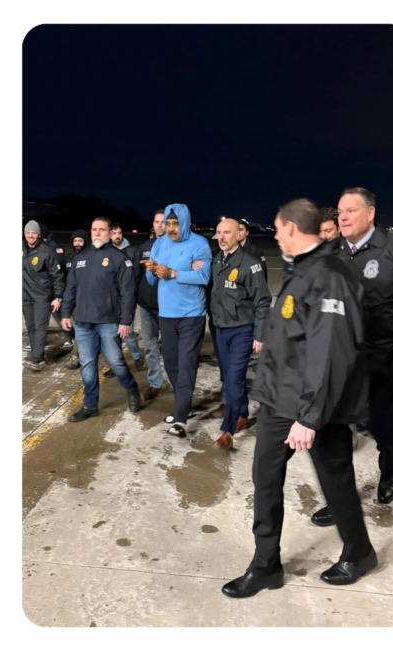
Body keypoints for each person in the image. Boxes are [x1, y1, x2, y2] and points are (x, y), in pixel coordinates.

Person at [221, 198, 376, 599]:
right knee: (266, 477)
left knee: (335, 479)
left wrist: (309, 417)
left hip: (314, 406)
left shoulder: (329, 276)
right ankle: (266, 565)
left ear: (291, 228)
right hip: (282, 399)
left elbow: (331, 352)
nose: (274, 236)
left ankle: (359, 552)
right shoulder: (303, 269)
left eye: (277, 229)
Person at [310, 186, 393, 529]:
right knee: (337, 432)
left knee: (385, 426)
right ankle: (341, 499)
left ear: (370, 213)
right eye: (340, 211)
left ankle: (389, 473)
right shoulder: (331, 253)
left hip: (386, 359)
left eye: (351, 210)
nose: (343, 217)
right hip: (342, 362)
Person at [60, 217, 142, 421]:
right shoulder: (80, 258)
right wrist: (65, 313)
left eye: (102, 229)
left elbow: (128, 293)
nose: (97, 233)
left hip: (109, 322)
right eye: (94, 229)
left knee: (116, 362)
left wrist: (125, 321)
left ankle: (131, 387)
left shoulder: (119, 258)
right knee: (87, 365)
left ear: (109, 233)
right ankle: (90, 405)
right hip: (83, 322)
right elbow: (70, 288)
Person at [143, 203, 212, 438]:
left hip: (191, 314)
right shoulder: (159, 244)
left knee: (186, 363)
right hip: (167, 314)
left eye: (176, 223)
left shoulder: (199, 244)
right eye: (168, 223)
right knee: (171, 363)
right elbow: (152, 281)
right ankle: (184, 404)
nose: (171, 228)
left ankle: (181, 418)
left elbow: (203, 276)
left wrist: (172, 273)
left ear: (185, 223)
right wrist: (152, 270)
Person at [209, 216, 271, 450]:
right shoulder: (218, 260)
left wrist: (260, 334)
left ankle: (228, 429)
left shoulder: (250, 264)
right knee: (230, 377)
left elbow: (263, 301)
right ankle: (242, 414)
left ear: (238, 235)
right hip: (221, 329)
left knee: (234, 378)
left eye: (227, 232)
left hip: (242, 330)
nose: (222, 237)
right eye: (219, 233)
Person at [22, 221, 65, 371]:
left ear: (39, 235)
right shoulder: (21, 249)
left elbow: (58, 276)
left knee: (40, 327)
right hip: (25, 296)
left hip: (41, 296)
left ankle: (37, 359)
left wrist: (57, 297)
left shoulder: (46, 251)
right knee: (31, 326)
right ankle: (36, 355)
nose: (30, 236)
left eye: (33, 233)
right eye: (28, 233)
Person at [105, 221, 144, 375]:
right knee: (112, 334)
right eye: (114, 233)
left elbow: (136, 276)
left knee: (127, 333)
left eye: (119, 233)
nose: (117, 236)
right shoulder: (104, 252)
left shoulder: (132, 251)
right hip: (110, 299)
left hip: (127, 298)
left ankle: (137, 356)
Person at [136, 209, 166, 400]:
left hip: (167, 306)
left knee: (171, 347)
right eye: (157, 222)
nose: (160, 225)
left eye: (163, 222)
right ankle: (155, 382)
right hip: (146, 305)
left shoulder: (175, 248)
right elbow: (136, 276)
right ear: (153, 225)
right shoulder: (144, 248)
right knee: (150, 345)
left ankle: (176, 379)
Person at [60, 229, 88, 366]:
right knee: (79, 328)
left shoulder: (90, 256)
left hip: (87, 299)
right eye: (75, 241)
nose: (77, 243)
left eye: (80, 241)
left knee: (82, 328)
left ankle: (76, 355)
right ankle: (79, 353)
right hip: (73, 299)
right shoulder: (69, 257)